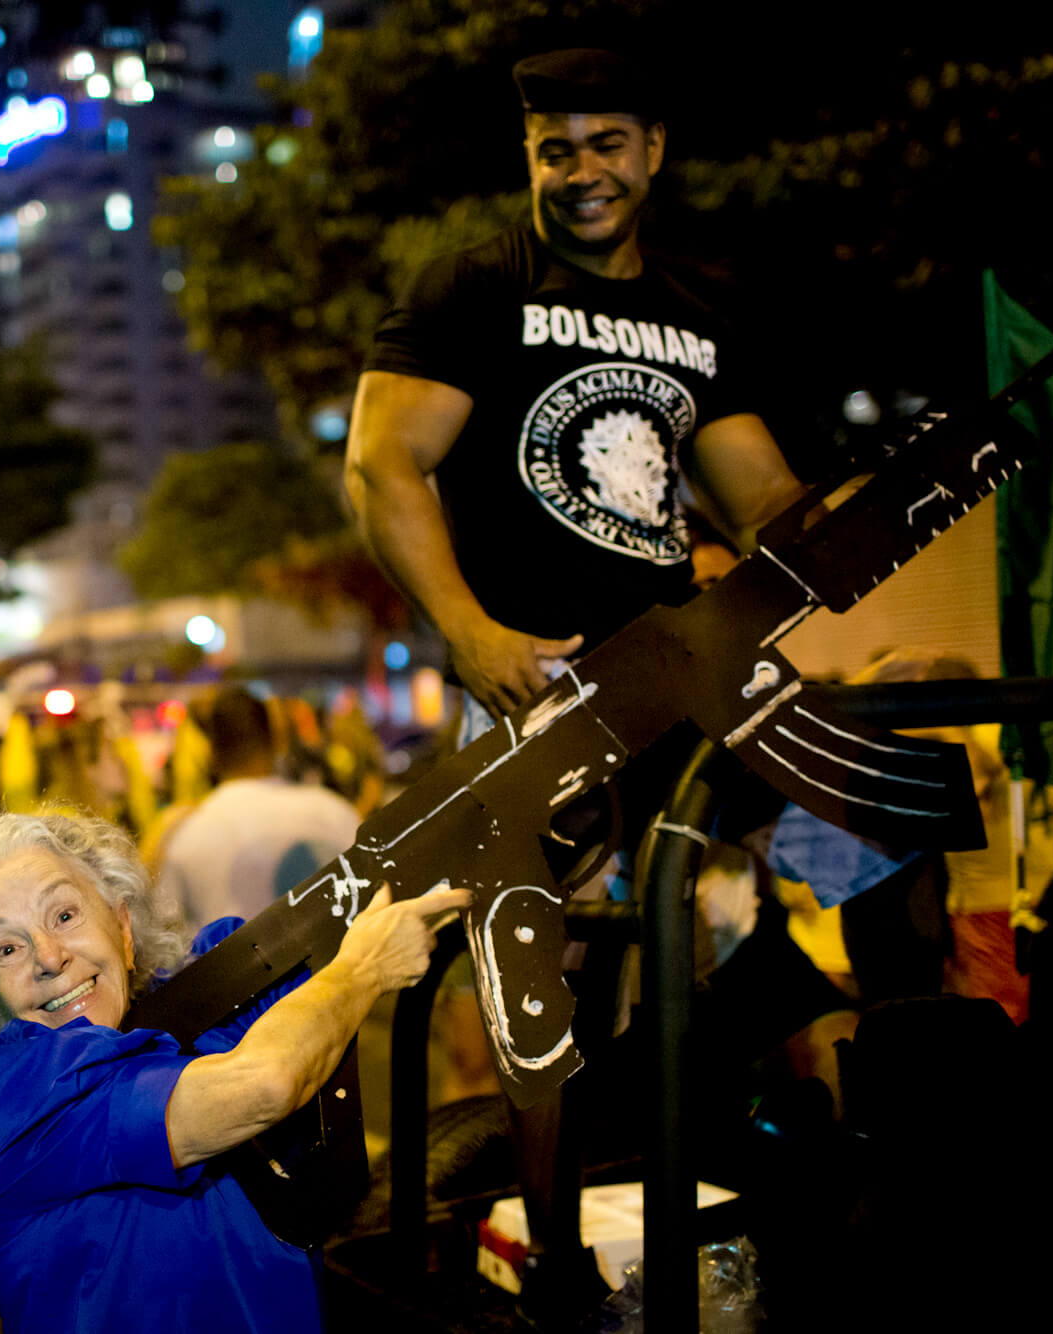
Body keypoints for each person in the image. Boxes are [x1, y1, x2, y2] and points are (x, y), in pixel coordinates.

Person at [343, 46, 805, 1322]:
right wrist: (470, 632)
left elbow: (759, 491)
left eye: (605, 142)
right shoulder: (475, 287)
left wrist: (852, 512)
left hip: (681, 677)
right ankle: (547, 1260)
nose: (581, 170)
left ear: (652, 149)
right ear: (528, 159)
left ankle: (793, 1148)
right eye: (556, 147)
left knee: (844, 859)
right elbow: (384, 467)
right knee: (535, 987)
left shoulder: (694, 310)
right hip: (536, 688)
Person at [0, 810, 467, 1333]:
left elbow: (298, 975)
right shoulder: (11, 1104)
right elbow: (265, 1084)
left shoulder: (205, 1003)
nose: (49, 955)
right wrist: (364, 968)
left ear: (123, 928)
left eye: (65, 915)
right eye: (6, 948)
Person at [157, 688, 362, 925]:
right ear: (275, 742)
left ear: (211, 753)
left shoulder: (185, 835)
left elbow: (167, 937)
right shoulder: (336, 813)